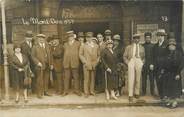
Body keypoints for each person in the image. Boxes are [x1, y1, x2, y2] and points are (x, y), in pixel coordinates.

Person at [162, 36, 183, 108]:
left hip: (175, 73)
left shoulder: (178, 54)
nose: (171, 47)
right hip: (168, 74)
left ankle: (175, 102)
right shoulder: (167, 54)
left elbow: (181, 64)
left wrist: (178, 73)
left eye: (172, 45)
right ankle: (170, 102)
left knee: (175, 89)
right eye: (169, 45)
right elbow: (165, 63)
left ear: (175, 46)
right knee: (169, 88)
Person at [123, 34, 145, 103]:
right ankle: (130, 95)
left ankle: (137, 93)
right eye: (135, 38)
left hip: (139, 61)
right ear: (133, 39)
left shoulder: (142, 47)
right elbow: (124, 56)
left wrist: (142, 62)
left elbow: (144, 57)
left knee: (138, 78)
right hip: (131, 61)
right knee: (131, 78)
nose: (136, 40)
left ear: (139, 39)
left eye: (138, 38)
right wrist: (128, 63)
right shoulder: (129, 47)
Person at [31, 34, 53, 98]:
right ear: (38, 39)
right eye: (40, 38)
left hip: (47, 65)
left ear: (44, 39)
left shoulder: (47, 46)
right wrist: (37, 62)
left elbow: (50, 55)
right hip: (39, 66)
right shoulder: (35, 47)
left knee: (46, 79)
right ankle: (39, 94)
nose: (41, 40)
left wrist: (51, 64)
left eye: (42, 38)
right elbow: (32, 56)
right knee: (39, 80)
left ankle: (45, 91)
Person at [79, 32, 100, 97]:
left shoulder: (96, 46)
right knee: (86, 79)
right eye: (87, 37)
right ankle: (86, 92)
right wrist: (84, 62)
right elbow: (80, 54)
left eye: (90, 37)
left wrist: (96, 62)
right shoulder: (83, 45)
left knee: (93, 78)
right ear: (86, 38)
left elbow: (99, 55)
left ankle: (92, 91)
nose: (89, 39)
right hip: (86, 64)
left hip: (94, 64)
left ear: (92, 37)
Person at [63, 31, 81, 96]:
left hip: (75, 63)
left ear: (74, 37)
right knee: (66, 78)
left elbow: (80, 53)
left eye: (71, 36)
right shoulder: (65, 44)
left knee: (76, 77)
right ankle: (65, 91)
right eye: (69, 37)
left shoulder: (78, 43)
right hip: (66, 63)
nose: (70, 38)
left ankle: (76, 90)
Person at [153, 29, 168, 99]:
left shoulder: (167, 45)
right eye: (159, 36)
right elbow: (154, 56)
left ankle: (164, 95)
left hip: (164, 66)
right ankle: (160, 95)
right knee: (158, 80)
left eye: (161, 36)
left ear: (164, 37)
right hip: (157, 66)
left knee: (164, 80)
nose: (160, 37)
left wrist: (165, 66)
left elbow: (168, 56)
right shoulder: (155, 46)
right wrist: (152, 64)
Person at [142, 32, 156, 96]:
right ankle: (143, 92)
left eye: (149, 38)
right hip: (144, 65)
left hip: (151, 65)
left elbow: (154, 56)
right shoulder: (142, 46)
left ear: (151, 38)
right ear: (145, 38)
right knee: (144, 79)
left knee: (152, 79)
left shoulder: (153, 46)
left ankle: (152, 92)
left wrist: (152, 64)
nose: (147, 39)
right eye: (146, 38)